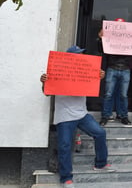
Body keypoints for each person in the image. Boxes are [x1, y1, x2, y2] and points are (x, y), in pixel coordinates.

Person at [40, 45, 115, 188]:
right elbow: (47, 92)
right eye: (77, 55)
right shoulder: (58, 71)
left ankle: (101, 163)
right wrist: (44, 82)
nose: (80, 57)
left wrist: (99, 76)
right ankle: (66, 178)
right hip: (65, 116)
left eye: (81, 54)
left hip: (82, 114)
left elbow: (93, 85)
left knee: (100, 133)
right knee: (65, 145)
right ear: (69, 58)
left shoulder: (85, 70)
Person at [100, 18, 132, 126]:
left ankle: (123, 116)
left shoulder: (130, 39)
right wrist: (100, 38)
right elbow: (101, 49)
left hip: (125, 69)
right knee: (108, 94)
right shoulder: (110, 37)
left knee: (123, 95)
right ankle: (106, 116)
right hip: (112, 68)